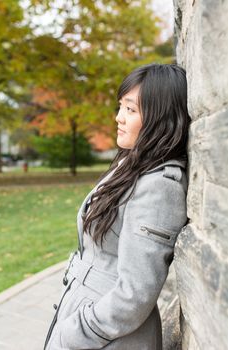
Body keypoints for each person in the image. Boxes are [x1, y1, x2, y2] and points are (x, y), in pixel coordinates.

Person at [43, 63, 191, 350]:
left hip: (106, 337)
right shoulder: (131, 167)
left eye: (130, 110)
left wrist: (75, 331)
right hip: (88, 320)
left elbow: (133, 296)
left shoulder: (159, 186)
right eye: (120, 107)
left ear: (160, 119)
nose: (118, 118)